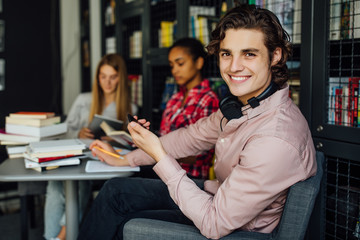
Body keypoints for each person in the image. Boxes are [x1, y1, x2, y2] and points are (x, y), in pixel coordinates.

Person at [78, 4, 317, 240]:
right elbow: (191, 137)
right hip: (215, 197)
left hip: (232, 229)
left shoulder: (274, 139)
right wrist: (124, 160)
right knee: (115, 191)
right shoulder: (243, 106)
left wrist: (160, 156)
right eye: (226, 54)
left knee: (124, 222)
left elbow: (215, 223)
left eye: (249, 54)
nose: (234, 67)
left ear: (275, 55)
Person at [44, 53, 136, 240]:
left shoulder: (130, 107)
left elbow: (131, 143)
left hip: (105, 159)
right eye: (103, 76)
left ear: (121, 78)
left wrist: (113, 140)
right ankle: (53, 237)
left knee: (81, 183)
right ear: (97, 77)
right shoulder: (84, 99)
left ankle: (62, 236)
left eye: (113, 77)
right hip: (78, 154)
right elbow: (64, 131)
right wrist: (78, 133)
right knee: (55, 184)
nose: (107, 83)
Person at [150, 37, 219, 179]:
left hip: (190, 179)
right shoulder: (174, 98)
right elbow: (164, 136)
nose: (175, 70)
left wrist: (158, 150)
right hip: (163, 172)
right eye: (171, 65)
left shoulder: (208, 100)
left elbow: (202, 156)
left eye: (180, 63)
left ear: (199, 62)